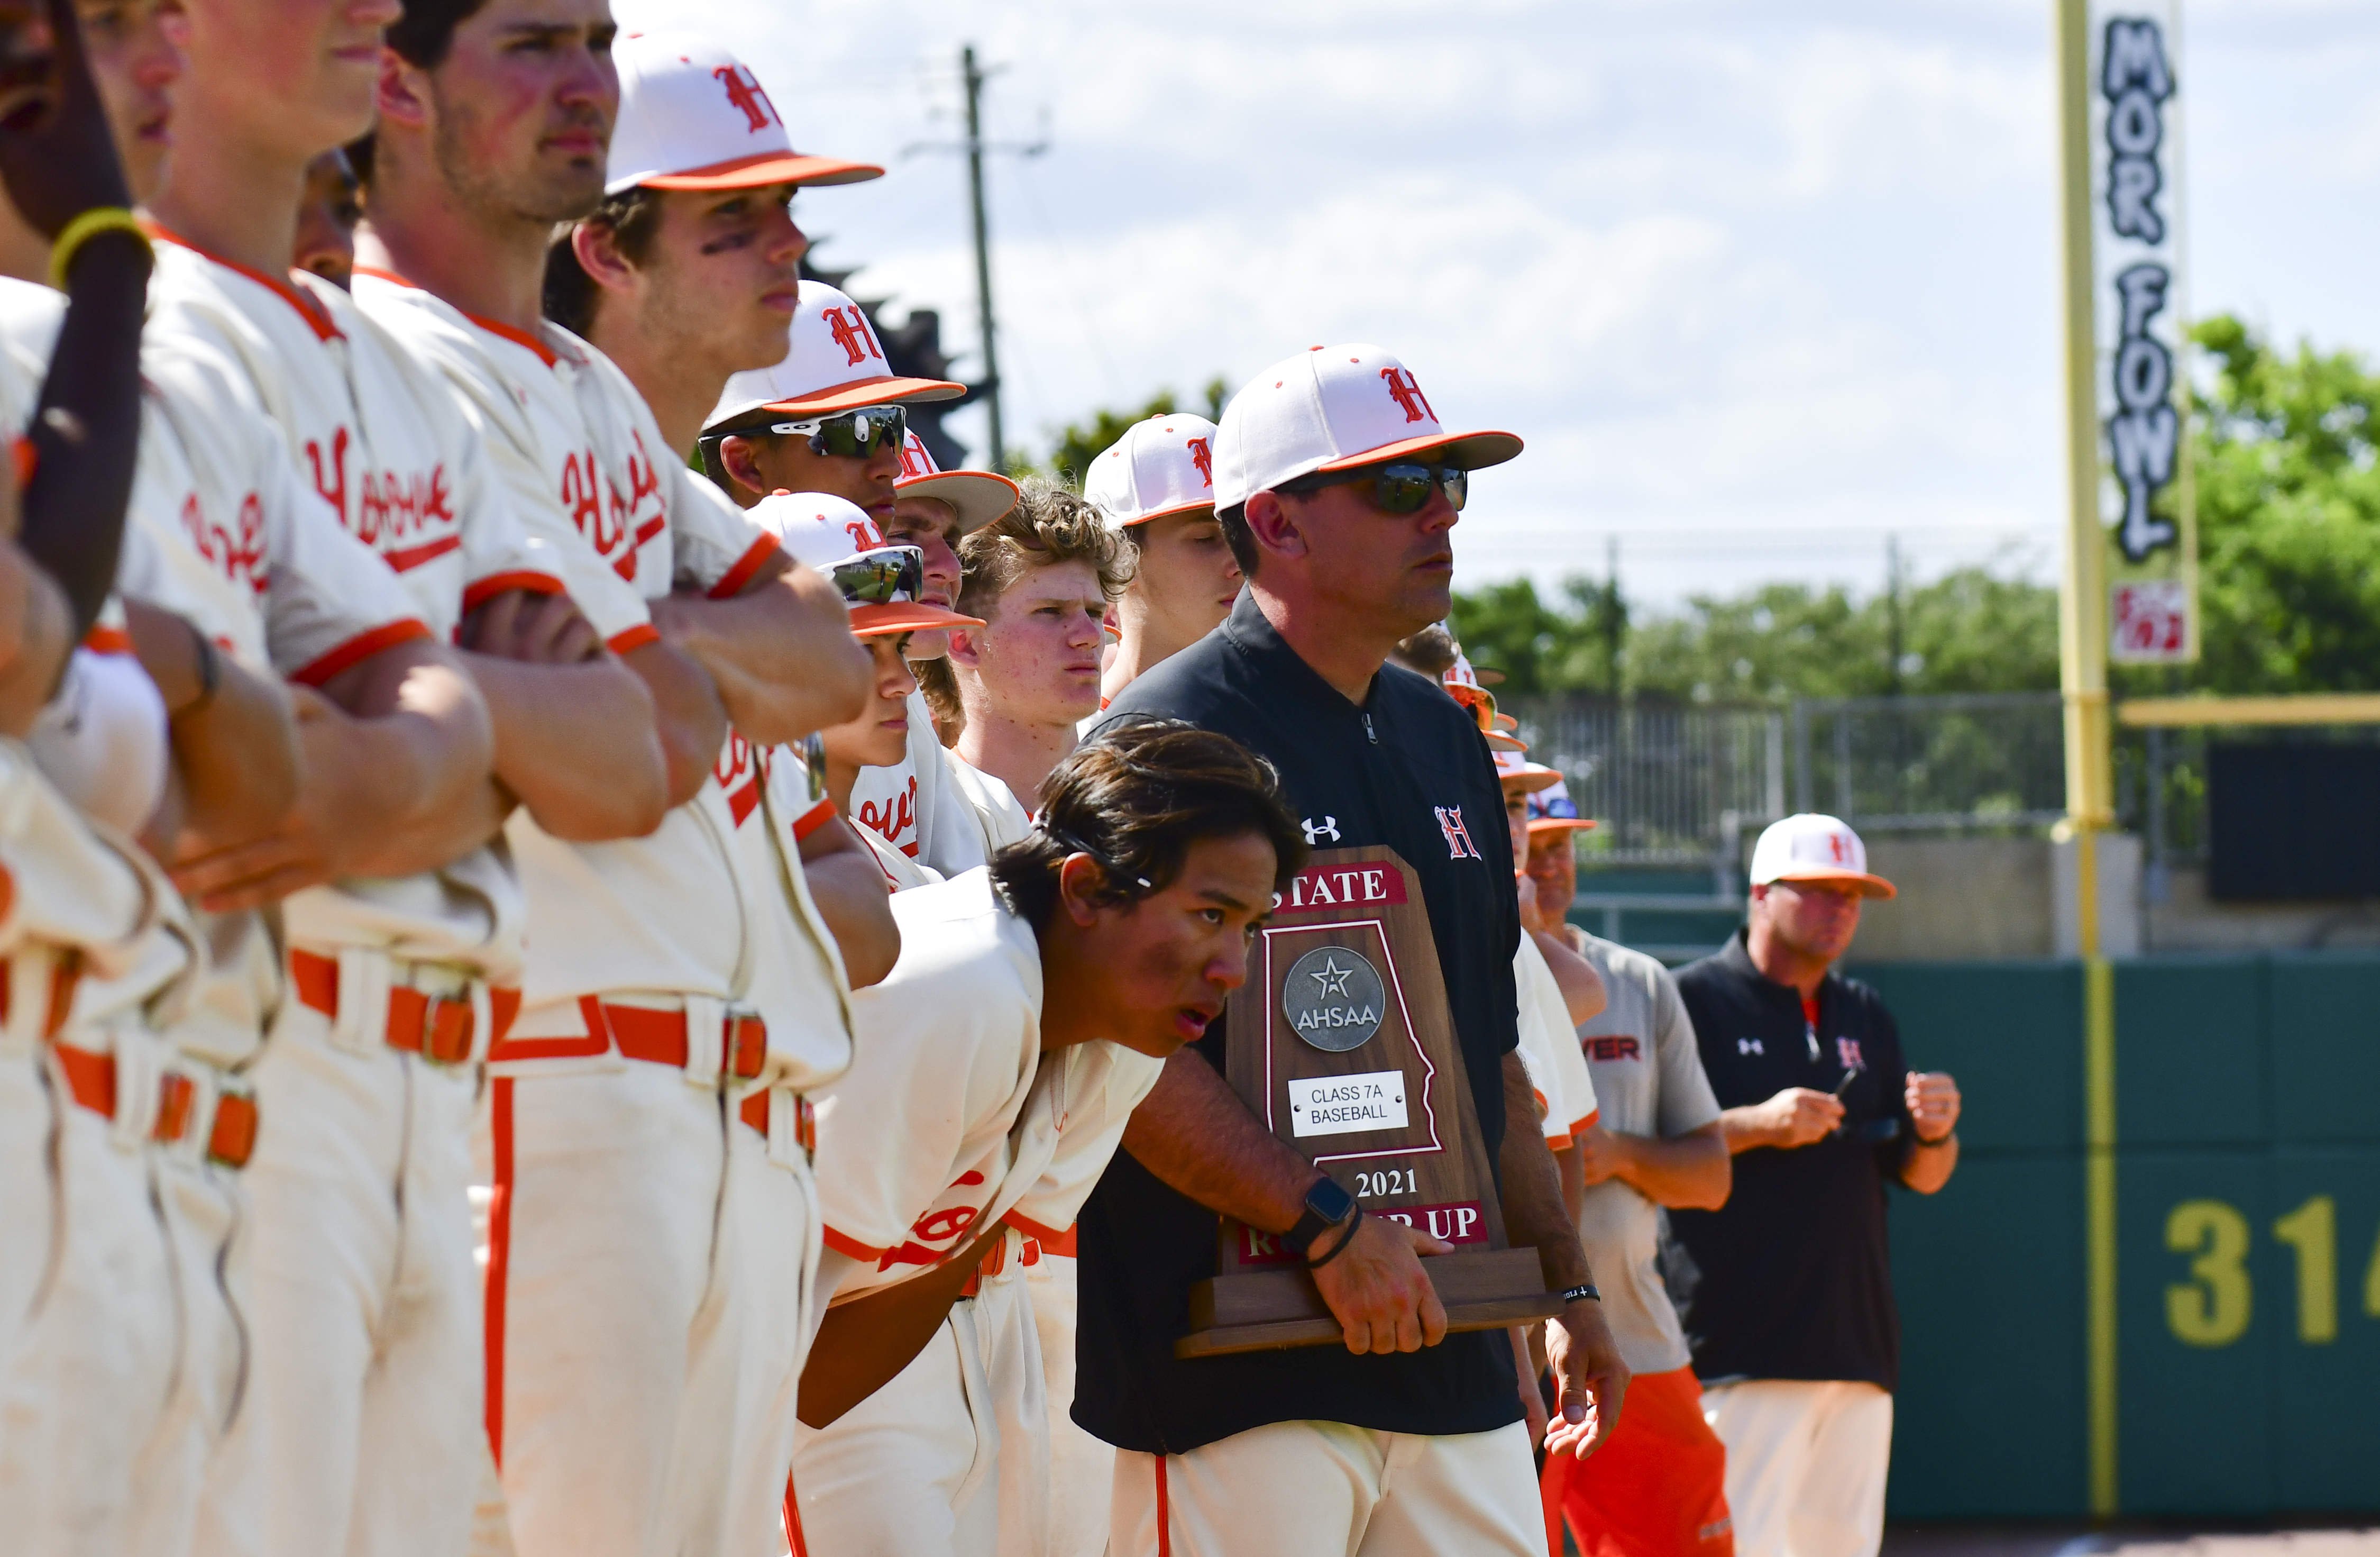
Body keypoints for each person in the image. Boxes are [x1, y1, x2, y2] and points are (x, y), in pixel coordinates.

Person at [351, 16, 878, 1557]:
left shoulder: (576, 383)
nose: (787, 246)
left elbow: (828, 664)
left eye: (596, 37)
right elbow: (629, 744)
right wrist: (663, 666)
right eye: (739, 217)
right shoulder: (403, 354)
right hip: (554, 1084)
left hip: (724, 1104)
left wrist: (648, 641)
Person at [1084, 342, 1627, 1555]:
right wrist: (1324, 1222)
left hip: (1448, 1356)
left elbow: (1488, 1057)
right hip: (1225, 1371)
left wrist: (1562, 1278)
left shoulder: (1440, 736)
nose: (1438, 509)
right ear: (1272, 520)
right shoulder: (1162, 733)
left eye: (1449, 480)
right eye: (1395, 486)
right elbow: (1113, 1057)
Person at [791, 721, 1309, 1557]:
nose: (1234, 966)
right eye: (1209, 913)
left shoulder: (1122, 1031)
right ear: (1083, 888)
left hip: (880, 1352)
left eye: (1247, 925)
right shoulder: (965, 988)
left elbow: (931, 1276)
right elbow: (782, 1344)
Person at [1669, 814, 1963, 1557]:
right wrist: (1754, 1125)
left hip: (1855, 1341)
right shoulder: (1690, 1001)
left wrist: (1935, 1131)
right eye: (1821, 890)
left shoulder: (1864, 1010)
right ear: (1763, 892)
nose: (1840, 909)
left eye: (1853, 895)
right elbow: (1638, 1153)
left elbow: (1921, 1173)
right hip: (1738, 1342)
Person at [1522, 785, 1737, 1557]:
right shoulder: (1452, 958)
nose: (1546, 862)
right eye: (1529, 836)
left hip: (1635, 1336)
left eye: (1561, 844)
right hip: (1513, 1342)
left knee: (1687, 1538)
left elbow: (1711, 1175)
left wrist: (1617, 1153)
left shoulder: (1639, 981)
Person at [940, 479, 1133, 848]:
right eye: (1049, 611)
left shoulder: (1145, 796)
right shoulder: (927, 816)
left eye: (1094, 612)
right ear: (963, 641)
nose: (1088, 636)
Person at [1084, 411, 1239, 707]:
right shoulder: (1073, 743)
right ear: (1119, 560)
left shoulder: (1290, 713)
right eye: (1205, 540)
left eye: (1242, 533)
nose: (1240, 562)